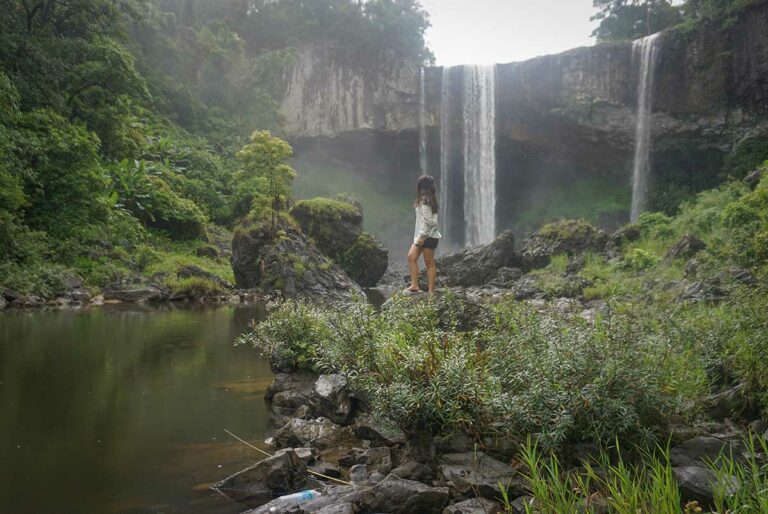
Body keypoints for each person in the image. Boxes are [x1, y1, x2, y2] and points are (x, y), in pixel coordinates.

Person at [406, 175, 441, 294]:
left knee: (429, 263)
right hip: (426, 235)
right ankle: (415, 285)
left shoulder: (425, 200)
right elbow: (432, 221)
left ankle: (431, 291)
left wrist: (421, 236)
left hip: (427, 236)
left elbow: (429, 221)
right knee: (411, 257)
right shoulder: (431, 199)